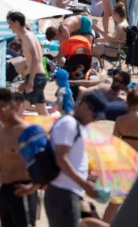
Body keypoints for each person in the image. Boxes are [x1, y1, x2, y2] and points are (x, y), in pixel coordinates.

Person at [44, 92, 109, 227]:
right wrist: (85, 185)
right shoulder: (69, 124)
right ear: (84, 106)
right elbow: (61, 159)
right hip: (63, 193)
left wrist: (86, 176)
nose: (94, 120)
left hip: (66, 192)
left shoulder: (74, 125)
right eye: (95, 116)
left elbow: (70, 157)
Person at [0, 88, 40, 227]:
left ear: (13, 105)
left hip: (23, 189)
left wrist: (33, 186)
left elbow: (43, 162)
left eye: (2, 107)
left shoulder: (26, 131)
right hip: (4, 191)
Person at [7, 11, 46, 115]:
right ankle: (53, 130)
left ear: (16, 23)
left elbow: (36, 58)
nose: (9, 27)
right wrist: (27, 80)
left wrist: (31, 81)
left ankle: (15, 130)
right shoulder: (29, 35)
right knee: (41, 109)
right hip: (38, 76)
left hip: (36, 77)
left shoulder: (27, 37)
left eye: (10, 23)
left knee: (19, 106)